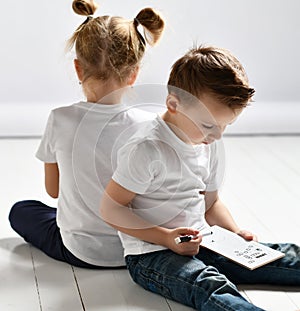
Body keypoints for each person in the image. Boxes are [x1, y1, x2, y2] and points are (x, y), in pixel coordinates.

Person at [100, 46, 300, 310]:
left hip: (204, 240)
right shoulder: (146, 148)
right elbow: (111, 208)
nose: (217, 136)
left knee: (278, 257)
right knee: (208, 284)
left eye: (225, 126)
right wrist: (166, 238)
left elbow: (211, 203)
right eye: (209, 126)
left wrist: (235, 232)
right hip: (152, 254)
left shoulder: (208, 142)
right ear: (173, 104)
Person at [8, 0, 164, 268]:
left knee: (21, 210)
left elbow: (53, 190)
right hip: (138, 247)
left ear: (78, 68)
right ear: (134, 75)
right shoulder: (150, 124)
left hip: (80, 251)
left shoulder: (60, 118)